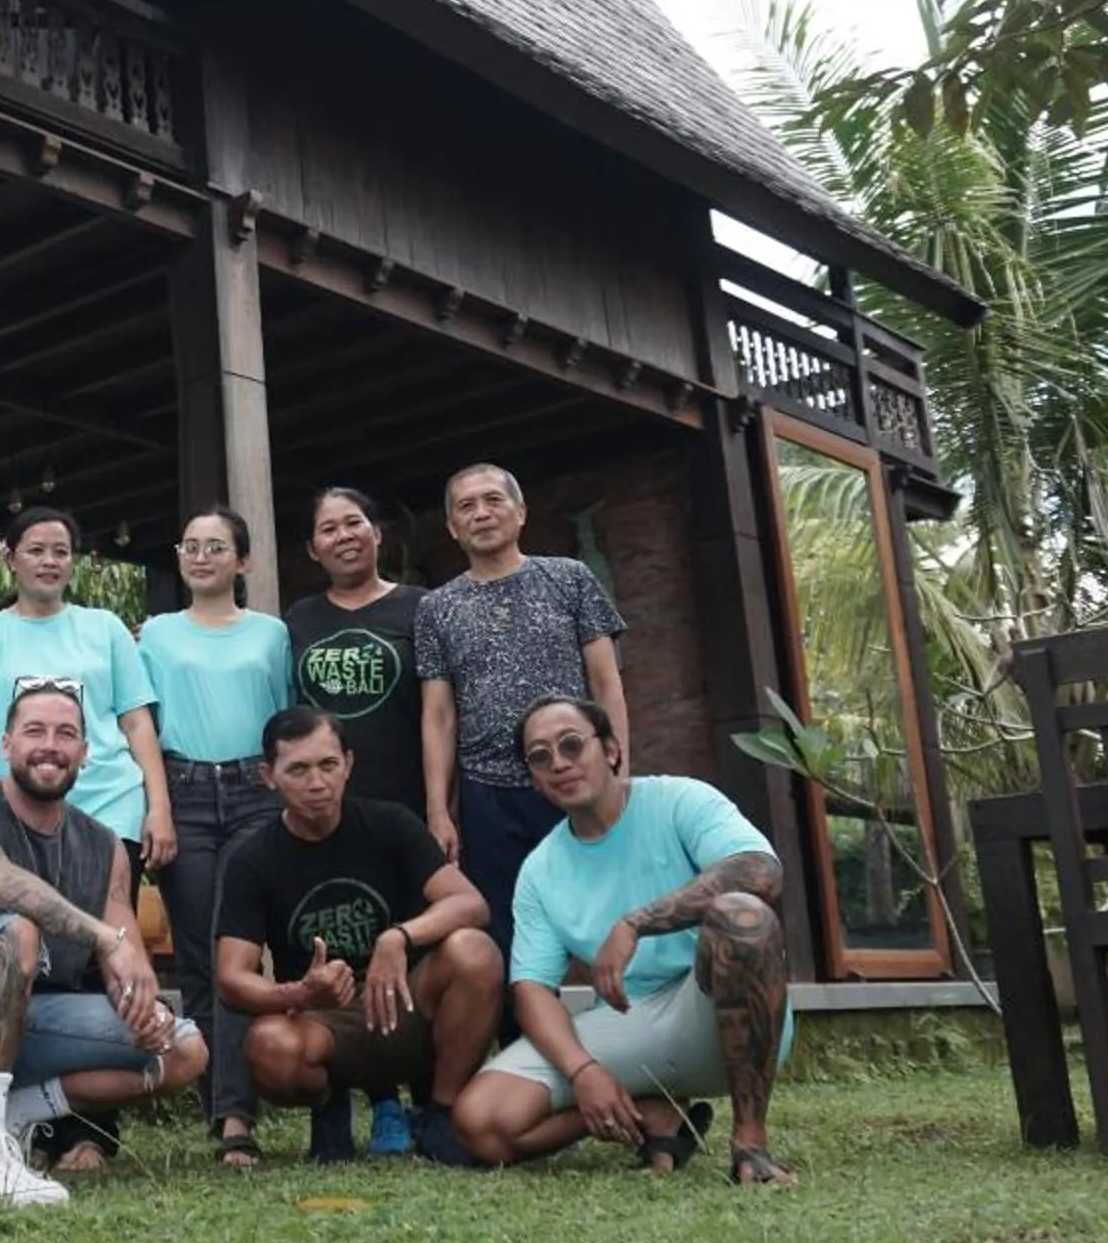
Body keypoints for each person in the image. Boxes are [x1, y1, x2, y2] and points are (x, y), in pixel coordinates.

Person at [452, 695, 799, 1185]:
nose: (560, 763)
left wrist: (637, 922)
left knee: (743, 916)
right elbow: (531, 989)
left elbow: (760, 871)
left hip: (713, 1011)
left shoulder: (681, 800)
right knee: (481, 1123)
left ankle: (750, 1144)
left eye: (572, 744)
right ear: (533, 778)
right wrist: (582, 1072)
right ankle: (650, 1112)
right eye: (541, 756)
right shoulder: (540, 870)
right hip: (627, 1021)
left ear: (611, 750)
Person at [0, 680, 209, 1203]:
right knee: (17, 929)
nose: (50, 745)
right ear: (6, 744)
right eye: (34, 731)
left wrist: (139, 1004)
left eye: (66, 734)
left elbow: (123, 954)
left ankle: (14, 1112)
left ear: (84, 753)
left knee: (184, 1048)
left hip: (31, 1025)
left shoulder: (104, 845)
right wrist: (105, 938)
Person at [217, 707, 501, 1166]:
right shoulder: (253, 860)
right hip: (322, 1019)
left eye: (328, 765)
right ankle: (328, 1108)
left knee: (475, 950)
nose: (317, 783)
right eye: (299, 770)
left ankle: (440, 1116)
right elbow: (232, 978)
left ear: (348, 764)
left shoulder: (389, 824)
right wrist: (299, 992)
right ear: (268, 776)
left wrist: (399, 938)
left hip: (406, 1002)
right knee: (270, 1045)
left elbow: (470, 903)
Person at [416, 465, 629, 952]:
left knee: (605, 914)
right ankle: (524, 1029)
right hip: (486, 789)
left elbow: (606, 681)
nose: (482, 513)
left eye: (493, 500)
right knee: (510, 930)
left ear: (521, 512)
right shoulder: (436, 607)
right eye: (466, 506)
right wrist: (439, 810)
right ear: (452, 527)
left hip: (576, 775)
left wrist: (618, 767)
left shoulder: (570, 579)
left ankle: (624, 1023)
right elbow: (438, 714)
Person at [136, 506, 290, 1169]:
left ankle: (235, 1114)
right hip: (185, 792)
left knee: (241, 952)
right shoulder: (156, 637)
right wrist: (158, 806)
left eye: (217, 546)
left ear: (242, 561)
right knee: (198, 958)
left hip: (257, 794)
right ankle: (217, 1103)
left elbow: (287, 720)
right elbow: (140, 724)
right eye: (191, 546)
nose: (203, 557)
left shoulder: (271, 634)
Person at [284, 485, 433, 1155]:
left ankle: (414, 1099)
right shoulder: (301, 618)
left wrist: (439, 804)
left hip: (398, 807)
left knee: (402, 948)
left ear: (376, 533)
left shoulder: (417, 608)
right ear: (313, 548)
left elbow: (436, 712)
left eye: (354, 523)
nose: (343, 536)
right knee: (328, 945)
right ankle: (338, 1103)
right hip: (323, 812)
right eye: (328, 529)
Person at [0, 505, 174, 866]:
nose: (49, 561)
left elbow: (137, 723)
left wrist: (159, 808)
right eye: (36, 551)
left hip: (111, 804)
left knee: (109, 921)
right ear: (10, 558)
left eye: (61, 551)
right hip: (16, 812)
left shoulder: (106, 628)